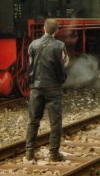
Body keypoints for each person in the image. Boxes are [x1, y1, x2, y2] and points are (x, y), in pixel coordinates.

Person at [25, 18, 68, 162]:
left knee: (33, 120)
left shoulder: (33, 45)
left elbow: (30, 65)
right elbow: (64, 65)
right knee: (55, 122)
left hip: (36, 88)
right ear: (56, 31)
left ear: (44, 29)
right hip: (53, 88)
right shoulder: (60, 46)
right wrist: (61, 80)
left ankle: (29, 152)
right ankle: (53, 153)